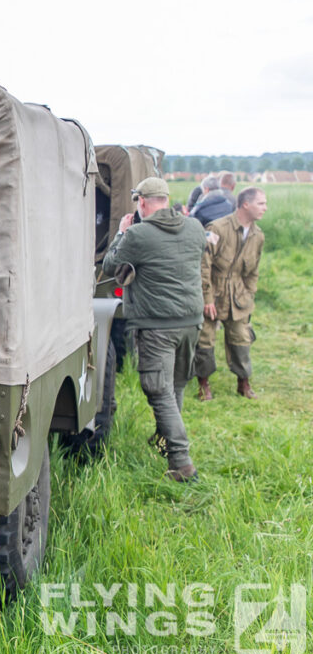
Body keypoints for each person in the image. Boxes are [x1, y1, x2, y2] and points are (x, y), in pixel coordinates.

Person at [102, 177, 207, 482]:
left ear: (142, 202)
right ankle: (164, 441)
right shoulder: (195, 227)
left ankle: (181, 463)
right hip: (191, 321)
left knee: (159, 392)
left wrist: (121, 233)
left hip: (155, 325)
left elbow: (110, 266)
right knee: (174, 387)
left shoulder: (137, 234)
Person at [194, 187, 268, 400]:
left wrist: (249, 295)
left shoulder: (257, 235)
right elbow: (203, 265)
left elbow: (253, 271)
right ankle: (204, 385)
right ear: (246, 204)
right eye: (261, 203)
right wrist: (207, 298)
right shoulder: (217, 228)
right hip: (213, 293)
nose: (265, 208)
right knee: (205, 340)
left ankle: (243, 383)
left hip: (239, 297)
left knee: (241, 340)